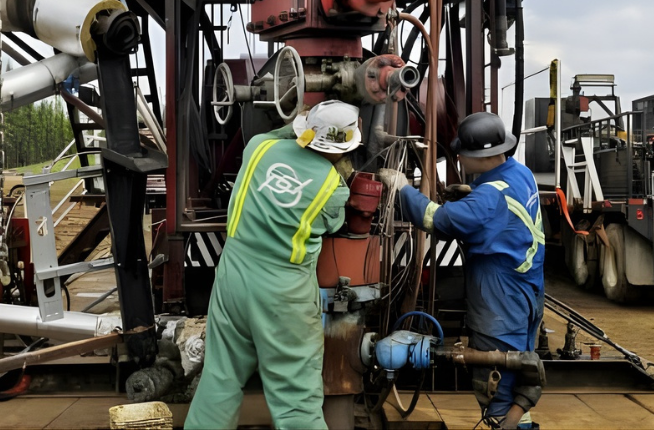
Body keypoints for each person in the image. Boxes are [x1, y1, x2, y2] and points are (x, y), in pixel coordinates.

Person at [186, 101, 359, 429]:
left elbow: (281, 134)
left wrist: (301, 118)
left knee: (220, 378)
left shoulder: (259, 146)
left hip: (233, 276)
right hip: (283, 294)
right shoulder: (333, 189)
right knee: (296, 400)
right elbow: (335, 226)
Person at [379, 112, 544, 430]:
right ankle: (518, 421)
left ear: (478, 155)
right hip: (527, 288)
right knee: (519, 372)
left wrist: (402, 189)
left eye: (463, 152)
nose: (458, 157)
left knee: (497, 381)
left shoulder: (488, 198)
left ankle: (506, 424)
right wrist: (472, 196)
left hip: (499, 297)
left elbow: (438, 221)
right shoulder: (520, 173)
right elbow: (502, 207)